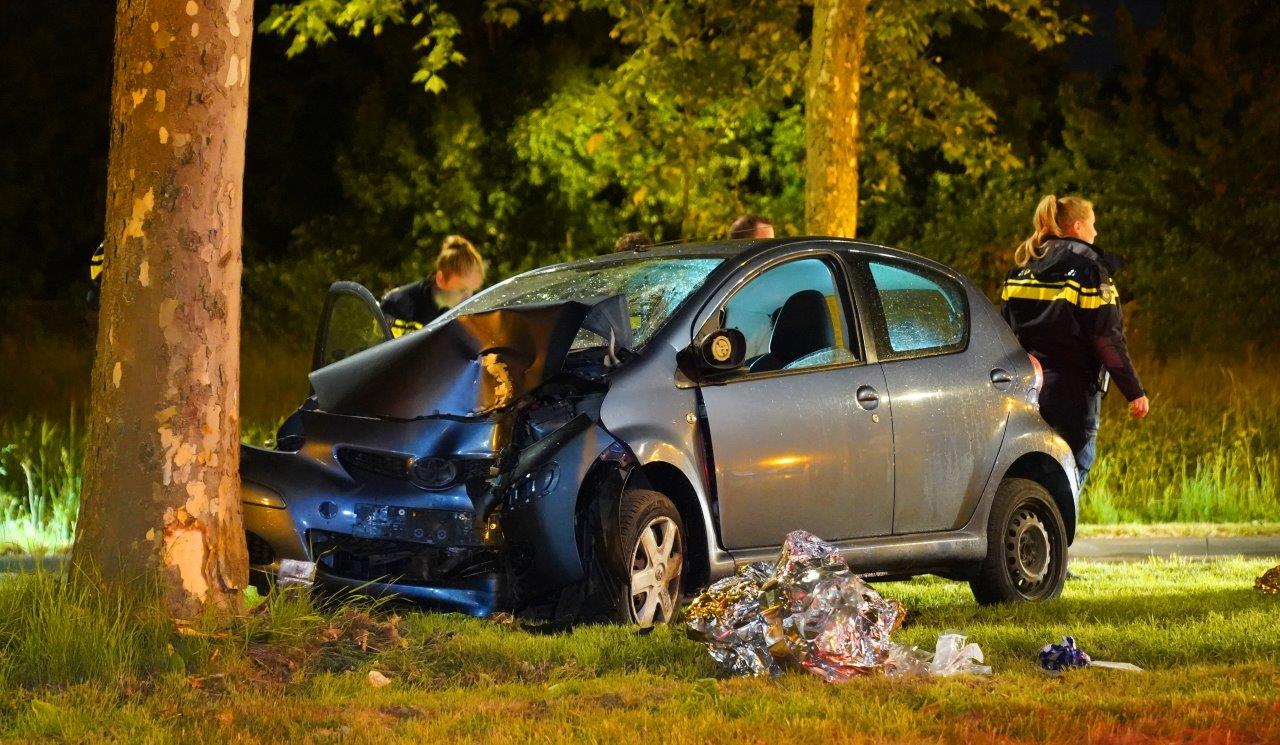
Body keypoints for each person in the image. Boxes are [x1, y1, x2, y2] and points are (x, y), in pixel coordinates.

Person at [1001, 195, 1149, 489]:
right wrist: (1134, 391)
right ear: (1078, 226)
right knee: (1071, 472)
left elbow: (1003, 331)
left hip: (1026, 392)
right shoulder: (1089, 271)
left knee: (1036, 476)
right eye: (1093, 225)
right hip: (1075, 395)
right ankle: (1056, 533)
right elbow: (1107, 338)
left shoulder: (1021, 271)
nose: (1095, 233)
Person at [380, 235, 485, 337]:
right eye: (462, 290)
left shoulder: (458, 318)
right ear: (441, 279)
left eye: (473, 291)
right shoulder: (398, 305)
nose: (468, 298)